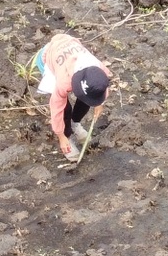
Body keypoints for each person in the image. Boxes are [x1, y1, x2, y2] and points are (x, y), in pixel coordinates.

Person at [32, 32, 112, 160]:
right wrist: (61, 136)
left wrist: (99, 103)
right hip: (48, 58)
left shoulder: (99, 69)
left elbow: (101, 86)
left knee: (86, 99)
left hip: (70, 48)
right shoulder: (63, 82)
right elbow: (56, 108)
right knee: (65, 108)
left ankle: (75, 124)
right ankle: (68, 135)